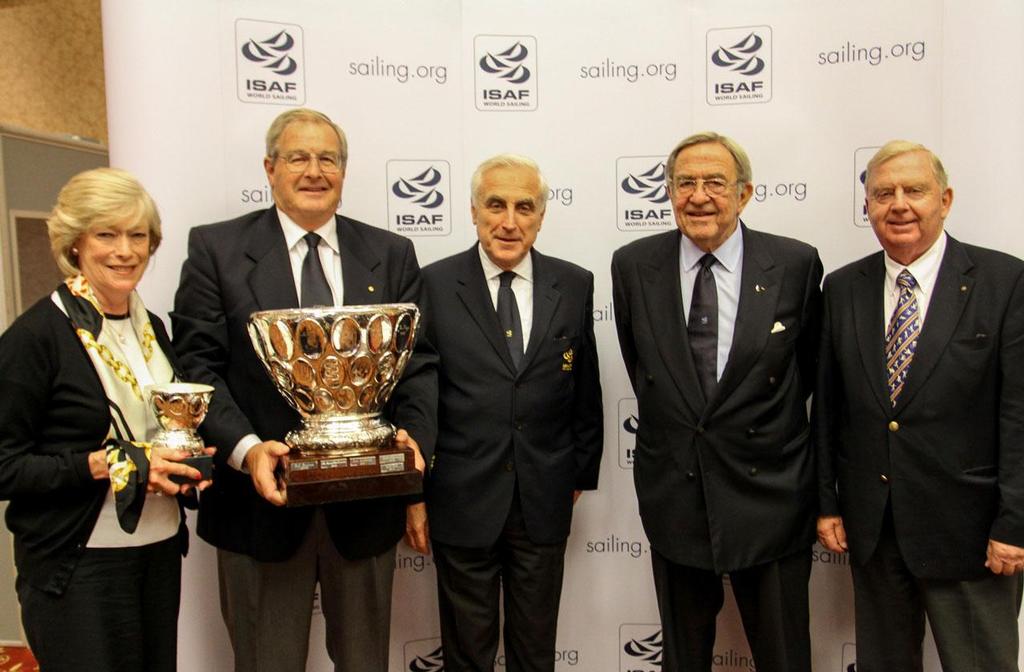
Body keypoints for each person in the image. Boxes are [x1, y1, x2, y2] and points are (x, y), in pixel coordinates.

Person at [171, 107, 437, 672]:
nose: (314, 170)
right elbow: (197, 367)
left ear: (343, 171)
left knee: (367, 663)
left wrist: (416, 442)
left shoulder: (391, 253)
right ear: (270, 168)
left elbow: (418, 366)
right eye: (298, 157)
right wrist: (247, 451)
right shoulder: (216, 250)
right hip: (258, 505)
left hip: (365, 507)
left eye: (328, 159)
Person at [611, 132, 822, 672]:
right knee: (683, 660)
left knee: (784, 656)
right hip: (675, 494)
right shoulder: (633, 265)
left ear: (745, 193)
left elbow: (809, 373)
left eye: (714, 183)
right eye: (685, 182)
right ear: (669, 191)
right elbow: (648, 372)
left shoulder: (795, 264)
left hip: (770, 495)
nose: (698, 196)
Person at [815, 140, 1024, 671]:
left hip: (974, 537)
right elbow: (829, 408)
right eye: (883, 193)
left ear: (945, 200)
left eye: (915, 190)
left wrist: (1014, 524)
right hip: (875, 532)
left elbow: (1019, 413)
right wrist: (827, 501)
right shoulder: (842, 288)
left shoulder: (1004, 282)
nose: (899, 204)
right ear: (867, 209)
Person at [0, 167, 211, 671]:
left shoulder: (151, 327)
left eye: (138, 236)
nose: (126, 251)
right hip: (79, 565)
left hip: (157, 551)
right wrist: (108, 464)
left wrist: (185, 459)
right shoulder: (37, 337)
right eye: (106, 235)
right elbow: (5, 466)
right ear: (74, 243)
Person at [419, 154, 603, 672]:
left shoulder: (574, 282)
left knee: (535, 651)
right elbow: (418, 396)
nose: (509, 221)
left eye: (525, 207)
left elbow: (585, 387)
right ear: (474, 211)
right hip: (461, 497)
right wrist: (415, 493)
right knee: (467, 654)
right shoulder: (432, 284)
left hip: (543, 498)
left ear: (542, 217)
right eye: (495, 204)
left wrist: (578, 472)